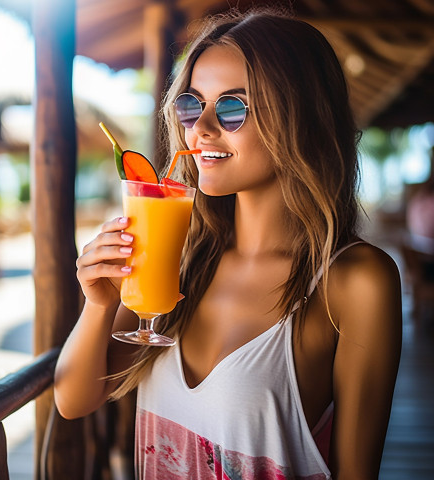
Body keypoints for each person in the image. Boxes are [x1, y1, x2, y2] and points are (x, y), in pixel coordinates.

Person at [54, 7, 402, 479]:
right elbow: (73, 399)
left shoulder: (355, 280)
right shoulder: (181, 252)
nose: (201, 129)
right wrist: (97, 304)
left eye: (234, 108)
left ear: (300, 115)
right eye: (192, 105)